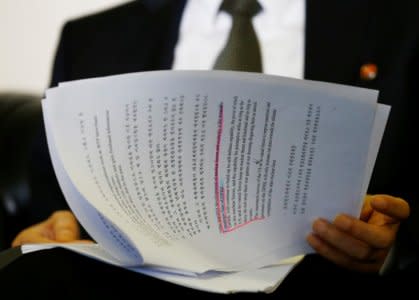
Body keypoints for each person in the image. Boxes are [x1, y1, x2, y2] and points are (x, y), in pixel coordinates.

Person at [3, 0, 418, 296]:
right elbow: (51, 206)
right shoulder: (92, 38)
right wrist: (40, 242)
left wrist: (384, 249)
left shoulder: (399, 22)